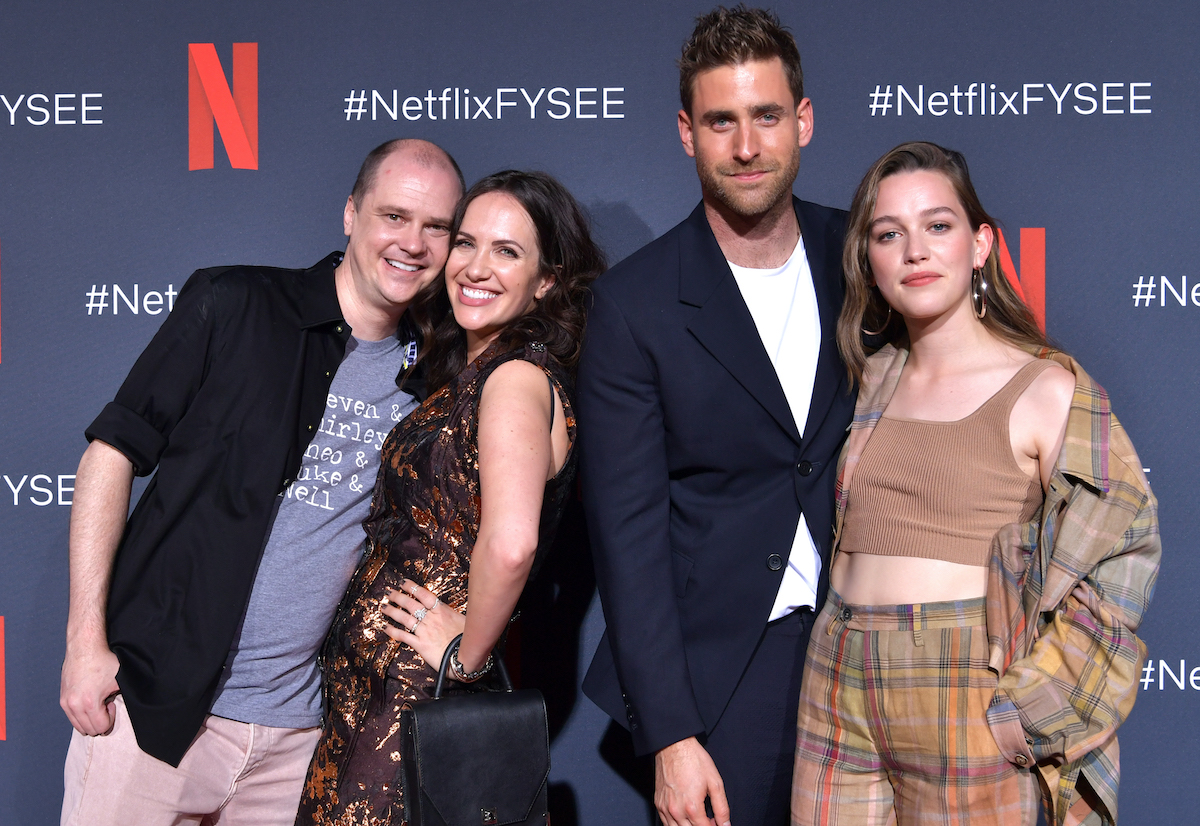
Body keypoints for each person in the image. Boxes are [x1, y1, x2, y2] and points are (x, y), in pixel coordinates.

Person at [58, 139, 464, 826]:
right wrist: (83, 642)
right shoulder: (234, 303)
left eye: (437, 227)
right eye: (395, 216)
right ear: (350, 213)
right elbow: (112, 451)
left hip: (299, 741)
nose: (413, 243)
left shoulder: (434, 382)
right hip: (155, 713)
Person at [791, 141, 1160, 826]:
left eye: (938, 226)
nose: (914, 251)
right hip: (835, 671)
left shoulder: (1047, 388)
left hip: (963, 683)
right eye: (887, 234)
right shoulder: (865, 381)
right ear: (869, 261)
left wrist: (1033, 708)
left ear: (981, 244)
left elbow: (1125, 547)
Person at [578, 7, 854, 826]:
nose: (745, 146)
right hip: (731, 667)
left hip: (874, 642)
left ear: (802, 121)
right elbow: (629, 539)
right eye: (720, 121)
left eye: (766, 116)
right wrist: (671, 735)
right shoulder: (634, 304)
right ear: (685, 132)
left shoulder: (865, 256)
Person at [294, 169, 605, 824]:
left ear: (546, 280)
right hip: (372, 688)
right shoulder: (473, 372)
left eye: (508, 251)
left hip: (414, 701)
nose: (476, 267)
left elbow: (513, 542)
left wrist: (466, 658)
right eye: (466, 243)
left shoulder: (517, 377)